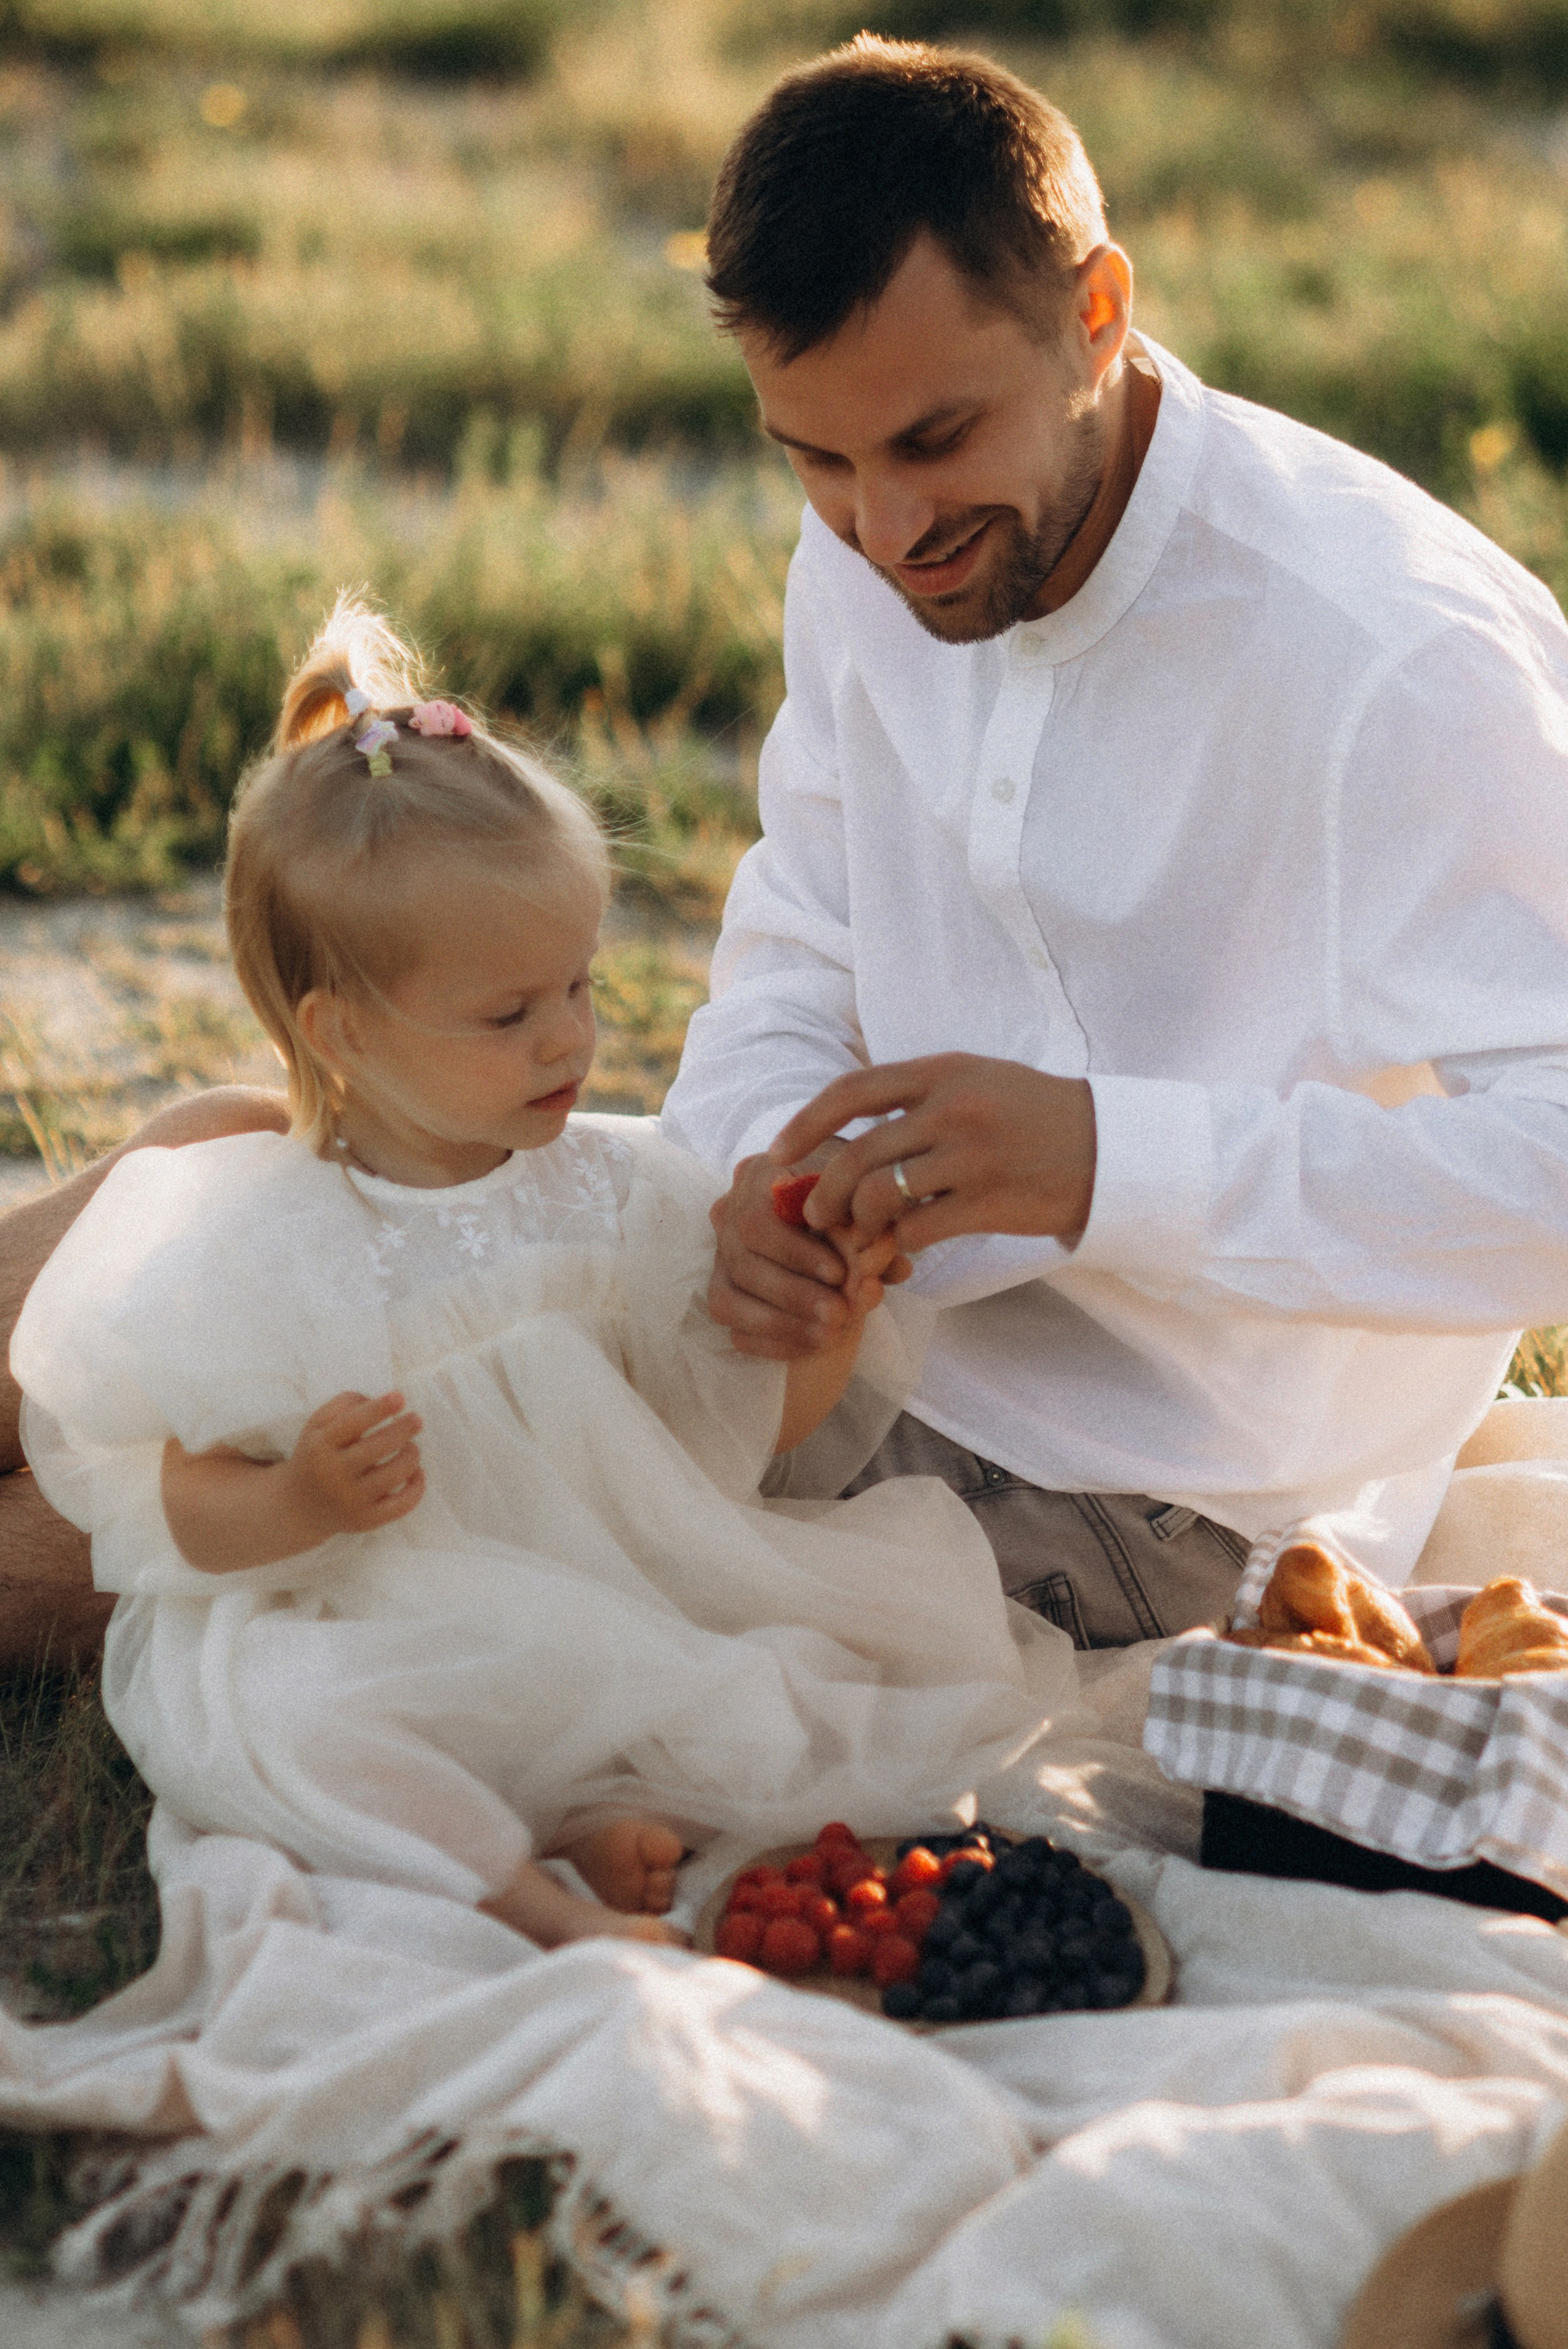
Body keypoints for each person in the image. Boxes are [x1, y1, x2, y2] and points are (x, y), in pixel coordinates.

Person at [659, 35, 1568, 1646]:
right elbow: (800, 938)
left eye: (936, 441)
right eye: (816, 458)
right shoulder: (884, 551)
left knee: (396, 1512)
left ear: (1098, 313)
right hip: (838, 1358)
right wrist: (754, 1170)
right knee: (252, 1204)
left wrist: (1105, 1163)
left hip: (1165, 1492)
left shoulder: (1389, 659)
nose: (882, 531)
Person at [8, 599, 1063, 1946]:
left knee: (764, 1688)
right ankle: (525, 1894)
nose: (569, 1038)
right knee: (299, 1720)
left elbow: (724, 1441)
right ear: (340, 1034)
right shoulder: (264, 1239)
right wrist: (299, 1499)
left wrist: (827, 1326)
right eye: (509, 1016)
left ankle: (564, 1823)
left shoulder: (622, 1195)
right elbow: (161, 1508)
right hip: (367, 1622)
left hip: (603, 1610)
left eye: (579, 985)